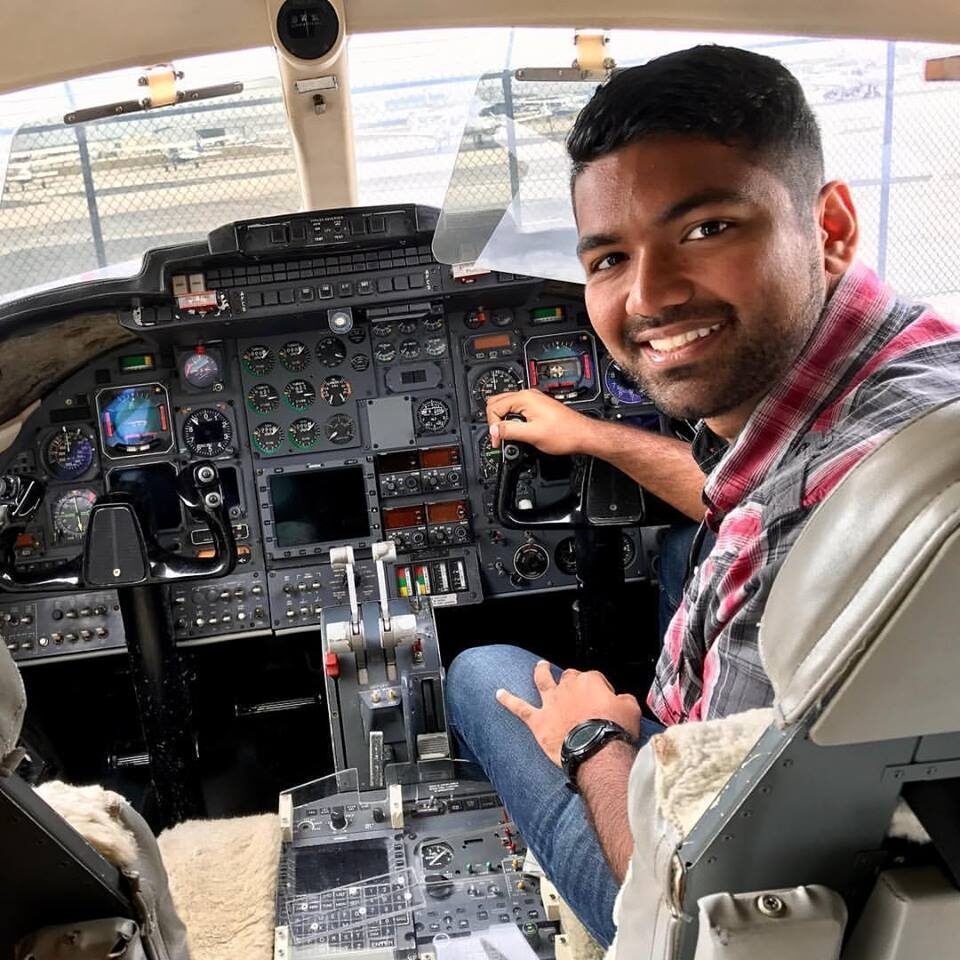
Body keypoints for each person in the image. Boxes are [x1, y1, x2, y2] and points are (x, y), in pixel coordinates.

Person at [445, 44, 960, 947]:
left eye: (705, 229)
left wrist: (595, 743)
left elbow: (687, 871)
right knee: (685, 547)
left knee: (481, 670)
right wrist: (593, 435)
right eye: (607, 258)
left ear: (830, 225)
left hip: (719, 885)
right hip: (889, 799)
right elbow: (753, 491)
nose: (648, 296)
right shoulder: (914, 370)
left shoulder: (791, 537)